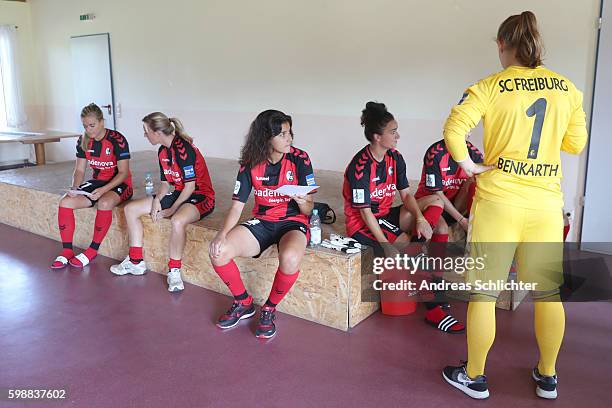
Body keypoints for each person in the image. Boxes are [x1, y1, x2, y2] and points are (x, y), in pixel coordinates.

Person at [441, 11, 588, 400]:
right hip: (544, 207)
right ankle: (548, 376)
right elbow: (575, 144)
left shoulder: (489, 86)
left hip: (497, 204)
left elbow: (454, 129)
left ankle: (474, 376)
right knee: (548, 294)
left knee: (485, 294)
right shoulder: (568, 89)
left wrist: (469, 165)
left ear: (502, 45)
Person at [343, 102, 464, 333]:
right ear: (377, 137)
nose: (398, 135)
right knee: (408, 250)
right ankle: (435, 308)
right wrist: (386, 245)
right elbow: (365, 213)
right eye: (393, 131)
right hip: (363, 224)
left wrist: (419, 218)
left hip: (387, 214)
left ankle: (424, 261)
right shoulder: (360, 167)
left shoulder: (395, 158)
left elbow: (406, 195)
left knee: (435, 202)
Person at [208, 110, 315, 339]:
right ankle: (244, 302)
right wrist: (221, 235)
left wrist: (302, 201)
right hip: (263, 222)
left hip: (293, 222)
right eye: (283, 134)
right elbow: (237, 206)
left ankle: (269, 309)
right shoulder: (250, 164)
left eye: (290, 133)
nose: (290, 139)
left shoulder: (300, 158)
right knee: (219, 252)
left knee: (290, 258)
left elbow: (308, 209)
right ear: (267, 137)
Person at [110, 112, 215, 292]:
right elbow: (166, 184)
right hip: (179, 193)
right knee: (130, 209)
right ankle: (136, 262)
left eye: (146, 131)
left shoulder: (183, 149)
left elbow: (190, 187)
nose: (145, 135)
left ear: (157, 132)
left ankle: (174, 271)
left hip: (200, 195)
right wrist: (158, 200)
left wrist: (170, 210)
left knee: (177, 220)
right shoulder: (162, 151)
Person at [51, 103, 133, 269]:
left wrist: (103, 190)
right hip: (97, 183)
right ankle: (67, 251)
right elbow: (80, 169)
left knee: (104, 202)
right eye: (85, 126)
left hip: (120, 183)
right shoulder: (83, 140)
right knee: (65, 202)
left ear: (102, 122)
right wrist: (74, 188)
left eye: (92, 125)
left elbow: (123, 172)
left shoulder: (117, 139)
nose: (89, 130)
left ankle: (92, 250)